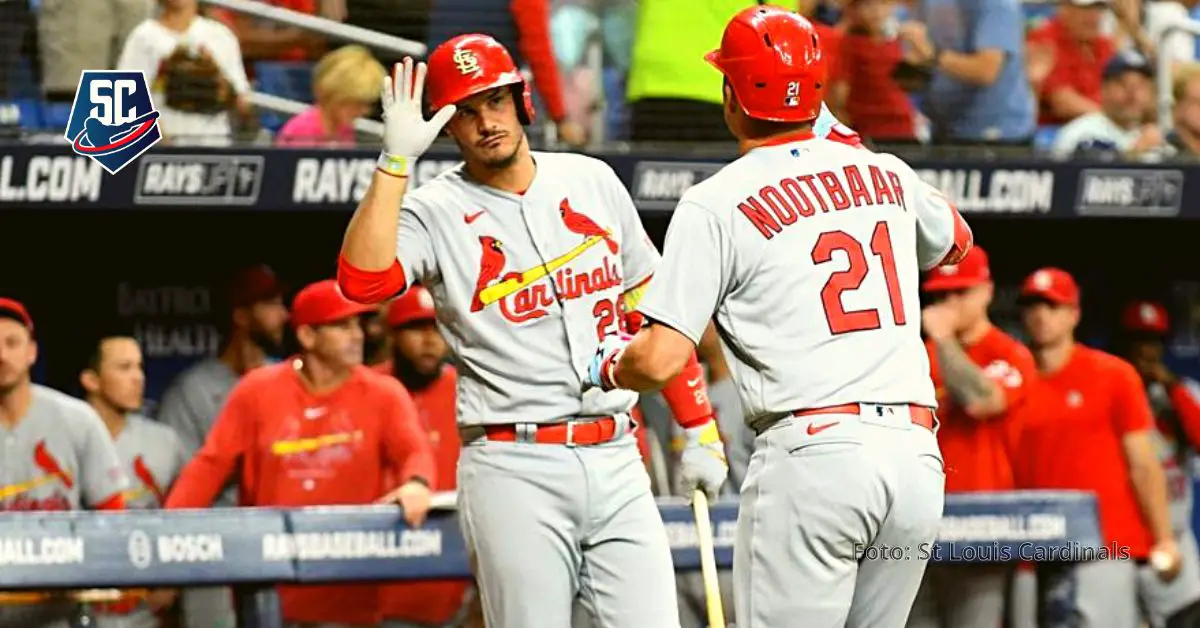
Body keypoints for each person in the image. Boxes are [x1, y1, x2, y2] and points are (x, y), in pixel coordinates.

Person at [585, 6, 973, 627]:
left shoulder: (715, 200)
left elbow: (658, 360)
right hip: (914, 461)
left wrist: (607, 366)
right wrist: (845, 140)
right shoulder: (884, 169)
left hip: (813, 458)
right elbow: (956, 240)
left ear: (731, 95)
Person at [337, 33, 722, 628]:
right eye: (464, 111)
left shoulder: (591, 179)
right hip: (513, 464)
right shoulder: (432, 209)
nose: (485, 121)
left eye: (494, 101)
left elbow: (653, 316)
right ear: (445, 126)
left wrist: (698, 428)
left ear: (522, 101)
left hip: (617, 454)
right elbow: (363, 284)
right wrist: (395, 165)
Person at [164, 279, 436, 627]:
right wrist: (167, 534)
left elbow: (413, 451)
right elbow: (210, 465)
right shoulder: (258, 390)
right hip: (270, 589)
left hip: (351, 589)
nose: (357, 335)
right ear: (307, 336)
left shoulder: (384, 394)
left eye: (357, 324)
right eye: (341, 326)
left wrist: (416, 483)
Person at [1014, 268, 1179, 628]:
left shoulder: (1113, 375)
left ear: (1074, 313)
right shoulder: (1010, 378)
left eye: (1052, 306)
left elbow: (1144, 465)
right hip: (1028, 546)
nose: (1041, 315)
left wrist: (1164, 538)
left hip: (1106, 542)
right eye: (1032, 305)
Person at [905, 245, 1038, 628]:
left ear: (987, 291)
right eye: (941, 294)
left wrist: (944, 341)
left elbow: (982, 400)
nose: (949, 302)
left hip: (982, 526)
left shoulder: (1009, 353)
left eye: (961, 292)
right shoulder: (914, 355)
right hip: (918, 527)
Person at [154, 264, 287, 628]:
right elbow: (179, 480)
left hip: (282, 541)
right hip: (211, 544)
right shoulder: (192, 391)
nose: (283, 315)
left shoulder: (290, 381)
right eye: (270, 304)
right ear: (241, 316)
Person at [0, 299, 128, 628]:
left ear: (32, 351)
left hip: (59, 614)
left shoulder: (76, 420)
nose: (2, 355)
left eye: (12, 343)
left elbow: (113, 513)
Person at [378, 286, 473, 628]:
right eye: (416, 329)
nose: (429, 340)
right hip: (381, 571)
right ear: (393, 334)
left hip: (457, 573)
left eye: (437, 327)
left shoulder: (470, 390)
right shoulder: (370, 388)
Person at [80, 332, 186, 628]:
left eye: (139, 367)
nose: (138, 377)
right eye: (124, 368)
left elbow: (187, 518)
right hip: (76, 605)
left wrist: (171, 582)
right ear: (91, 380)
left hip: (145, 611)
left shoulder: (164, 441)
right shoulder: (67, 436)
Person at [1116, 300, 1200, 626]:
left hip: (1174, 538)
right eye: (1137, 340)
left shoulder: (1181, 393)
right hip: (1124, 542)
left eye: (1152, 341)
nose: (1145, 351)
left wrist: (1172, 387)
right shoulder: (1112, 392)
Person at [115, 0, 253, 146]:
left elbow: (243, 103)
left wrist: (221, 84)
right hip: (162, 152)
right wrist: (164, 146)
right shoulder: (143, 37)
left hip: (214, 148)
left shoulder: (221, 36)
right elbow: (126, 101)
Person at [276, 45, 387, 147]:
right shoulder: (302, 131)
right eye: (357, 103)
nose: (365, 111)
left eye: (367, 104)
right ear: (335, 96)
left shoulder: (344, 128)